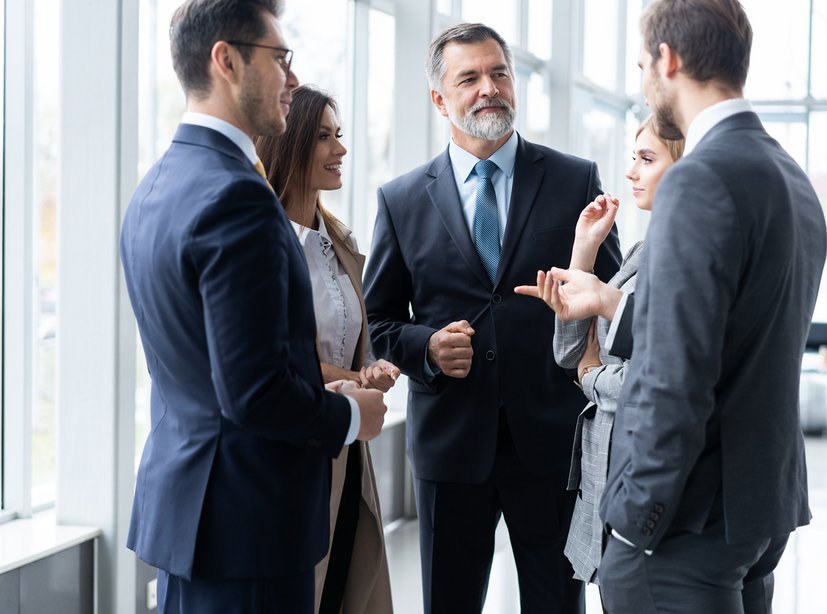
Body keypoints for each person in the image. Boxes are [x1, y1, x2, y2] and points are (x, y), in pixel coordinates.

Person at [525, 1, 827, 612]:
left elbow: (675, 376)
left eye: (642, 64)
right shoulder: (789, 177)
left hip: (685, 519)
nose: (642, 81)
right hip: (757, 505)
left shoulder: (701, 178)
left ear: (668, 60)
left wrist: (636, 519)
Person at [120, 2, 387, 612]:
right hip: (250, 523)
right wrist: (353, 418)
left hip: (188, 514)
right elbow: (254, 392)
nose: (293, 80)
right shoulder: (240, 198)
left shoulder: (156, 187)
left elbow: (207, 369)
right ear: (227, 61)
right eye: (281, 59)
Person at [363, 22, 622, 614]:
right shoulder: (400, 200)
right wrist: (425, 346)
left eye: (499, 72)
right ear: (439, 98)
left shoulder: (573, 179)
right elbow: (376, 320)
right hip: (451, 448)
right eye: (470, 78)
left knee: (557, 604)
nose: (490, 88)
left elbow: (612, 297)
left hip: (552, 443)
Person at [516, 116, 684, 590]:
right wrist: (582, 254)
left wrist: (591, 379)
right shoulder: (640, 249)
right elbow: (571, 352)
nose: (631, 172)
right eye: (633, 158)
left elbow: (651, 376)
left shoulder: (680, 256)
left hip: (638, 472)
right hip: (609, 475)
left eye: (646, 159)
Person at [254, 84, 397, 614]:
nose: (340, 149)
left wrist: (370, 369)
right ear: (287, 145)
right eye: (323, 137)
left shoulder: (341, 243)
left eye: (339, 135)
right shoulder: (264, 240)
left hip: (349, 448)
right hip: (294, 448)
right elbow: (272, 361)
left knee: (345, 587)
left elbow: (349, 341)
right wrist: (356, 380)